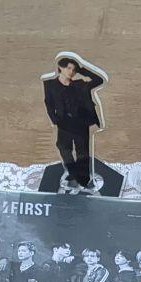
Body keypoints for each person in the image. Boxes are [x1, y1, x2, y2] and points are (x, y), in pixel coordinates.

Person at [43, 54, 105, 192]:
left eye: (74, 70)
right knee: (63, 147)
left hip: (81, 122)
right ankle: (73, 174)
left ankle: (84, 181)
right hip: (63, 122)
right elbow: (48, 102)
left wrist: (82, 69)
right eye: (69, 68)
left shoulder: (80, 85)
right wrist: (54, 120)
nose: (71, 72)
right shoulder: (50, 84)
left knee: (82, 151)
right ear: (61, 68)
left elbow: (99, 80)